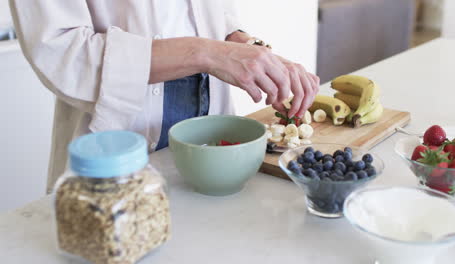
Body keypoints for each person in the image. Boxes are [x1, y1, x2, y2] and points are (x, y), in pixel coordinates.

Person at [9, 0, 320, 192]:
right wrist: (206, 53)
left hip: (214, 155)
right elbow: (62, 52)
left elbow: (211, 10)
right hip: (112, 162)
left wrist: (244, 46)